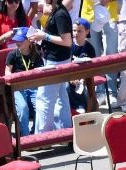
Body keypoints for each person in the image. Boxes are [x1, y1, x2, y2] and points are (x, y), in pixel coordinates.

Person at [28, 0, 72, 133]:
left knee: (44, 98)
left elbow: (67, 41)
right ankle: (65, 131)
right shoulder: (57, 11)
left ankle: (43, 136)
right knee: (61, 97)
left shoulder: (60, 14)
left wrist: (44, 36)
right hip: (56, 60)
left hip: (57, 62)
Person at [82, 0, 119, 107]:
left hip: (109, 13)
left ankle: (112, 93)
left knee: (111, 54)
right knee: (94, 56)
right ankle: (100, 92)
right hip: (89, 14)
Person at [6, 28, 41, 135]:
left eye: (21, 40)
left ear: (29, 40)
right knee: (23, 107)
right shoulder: (12, 55)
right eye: (17, 40)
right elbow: (7, 72)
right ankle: (25, 135)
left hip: (33, 86)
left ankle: (36, 133)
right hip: (18, 87)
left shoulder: (36, 55)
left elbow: (40, 73)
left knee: (39, 106)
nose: (18, 42)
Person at [67, 18, 97, 113]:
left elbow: (92, 67)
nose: (76, 33)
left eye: (80, 31)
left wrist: (82, 78)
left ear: (87, 31)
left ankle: (85, 109)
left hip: (84, 77)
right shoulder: (69, 46)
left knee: (84, 91)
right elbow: (65, 64)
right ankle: (75, 108)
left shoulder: (90, 48)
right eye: (74, 30)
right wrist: (70, 78)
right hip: (69, 77)